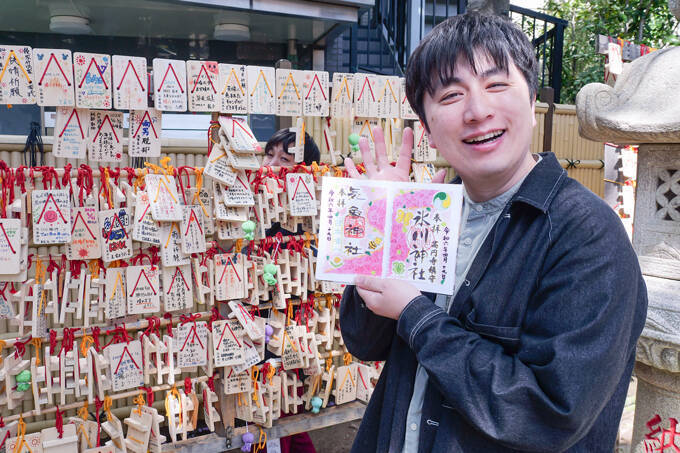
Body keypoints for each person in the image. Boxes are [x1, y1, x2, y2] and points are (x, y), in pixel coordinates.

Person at [340, 13, 647, 453]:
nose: (477, 110)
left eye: (497, 85)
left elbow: (549, 414)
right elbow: (363, 340)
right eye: (450, 95)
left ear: (531, 100)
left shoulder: (587, 234)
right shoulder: (430, 213)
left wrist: (416, 314)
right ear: (426, 130)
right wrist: (383, 226)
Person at [259, 127, 319, 453]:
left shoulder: (301, 217)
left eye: (284, 159)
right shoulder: (256, 204)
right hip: (261, 318)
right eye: (270, 154)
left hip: (286, 319)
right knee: (274, 407)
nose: (272, 164)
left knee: (281, 401)